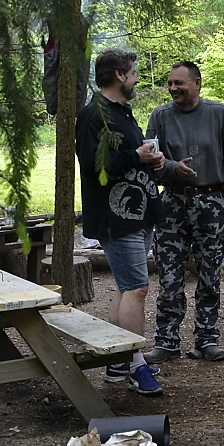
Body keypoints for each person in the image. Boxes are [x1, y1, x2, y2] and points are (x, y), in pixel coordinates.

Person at [76, 48, 166, 396]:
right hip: (117, 217)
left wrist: (150, 159)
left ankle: (117, 362)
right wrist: (135, 156)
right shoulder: (92, 115)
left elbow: (129, 156)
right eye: (133, 73)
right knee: (137, 289)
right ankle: (136, 364)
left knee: (126, 287)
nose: (137, 79)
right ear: (118, 75)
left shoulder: (122, 112)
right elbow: (92, 164)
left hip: (140, 214)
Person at [144, 61, 224, 364]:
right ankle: (166, 340)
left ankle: (207, 338)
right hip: (172, 203)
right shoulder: (160, 116)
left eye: (179, 83)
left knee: (210, 273)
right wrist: (172, 167)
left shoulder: (219, 114)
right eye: (170, 83)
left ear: (197, 83)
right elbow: (150, 158)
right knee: (169, 276)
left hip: (212, 202)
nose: (173, 88)